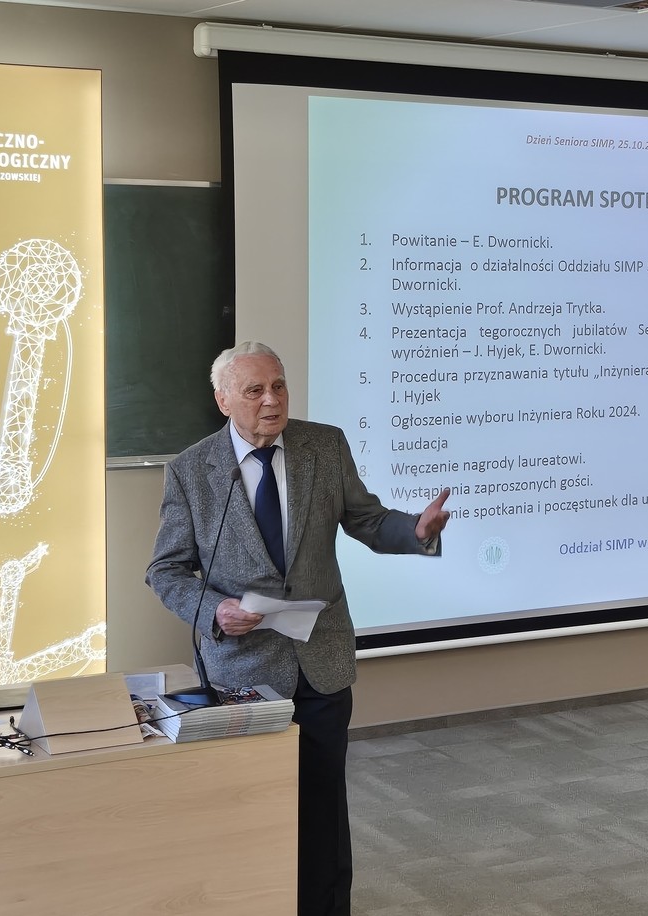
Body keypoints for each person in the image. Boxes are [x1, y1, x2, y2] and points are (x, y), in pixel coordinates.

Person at [147, 341, 449, 915]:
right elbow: (166, 571)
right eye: (254, 390)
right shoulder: (192, 470)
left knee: (322, 807)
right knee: (249, 809)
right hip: (242, 669)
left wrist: (415, 531)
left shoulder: (323, 446)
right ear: (223, 400)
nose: (272, 401)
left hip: (320, 660)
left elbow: (367, 520)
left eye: (278, 386)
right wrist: (214, 610)